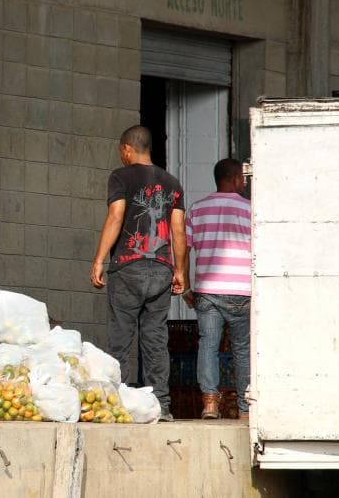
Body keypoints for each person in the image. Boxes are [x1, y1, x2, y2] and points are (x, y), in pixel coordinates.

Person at [89, 125, 187, 422]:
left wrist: (99, 259)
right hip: (161, 270)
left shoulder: (120, 176)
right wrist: (180, 270)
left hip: (128, 266)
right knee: (156, 338)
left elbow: (116, 215)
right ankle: (161, 405)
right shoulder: (172, 182)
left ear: (128, 148)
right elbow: (178, 229)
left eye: (121, 150)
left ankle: (117, 402)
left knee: (121, 336)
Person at [185, 158, 251, 420]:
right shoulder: (251, 210)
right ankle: (246, 410)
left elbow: (184, 247)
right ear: (235, 179)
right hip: (242, 290)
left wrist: (184, 284)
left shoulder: (197, 209)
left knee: (208, 346)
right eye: (243, 179)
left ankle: (210, 403)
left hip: (208, 291)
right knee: (242, 349)